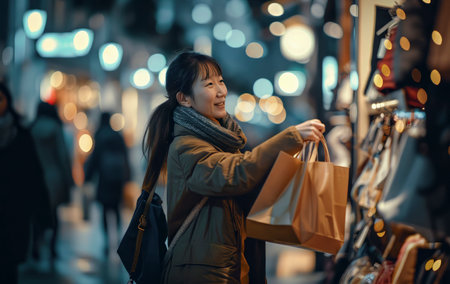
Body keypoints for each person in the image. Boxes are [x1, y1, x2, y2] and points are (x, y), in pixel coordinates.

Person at [141, 51, 326, 284]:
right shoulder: (185, 146)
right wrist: (290, 138)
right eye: (209, 84)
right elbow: (234, 175)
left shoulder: (222, 141)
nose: (221, 91)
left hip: (228, 267)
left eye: (221, 81)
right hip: (202, 274)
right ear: (184, 98)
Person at [0, 82, 52, 283]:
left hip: (14, 213)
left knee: (8, 269)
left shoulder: (21, 135)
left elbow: (34, 176)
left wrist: (44, 214)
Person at [30, 101, 74, 260]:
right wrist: (69, 179)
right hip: (54, 176)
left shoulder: (31, 128)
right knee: (54, 214)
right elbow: (62, 156)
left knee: (36, 213)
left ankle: (35, 245)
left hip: (35, 177)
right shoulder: (55, 128)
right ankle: (53, 247)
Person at [84, 112, 131, 254]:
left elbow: (94, 158)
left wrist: (88, 176)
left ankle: (106, 240)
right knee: (116, 208)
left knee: (105, 209)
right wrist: (127, 176)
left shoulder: (100, 136)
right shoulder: (117, 136)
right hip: (117, 179)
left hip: (104, 179)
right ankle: (116, 236)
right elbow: (125, 157)